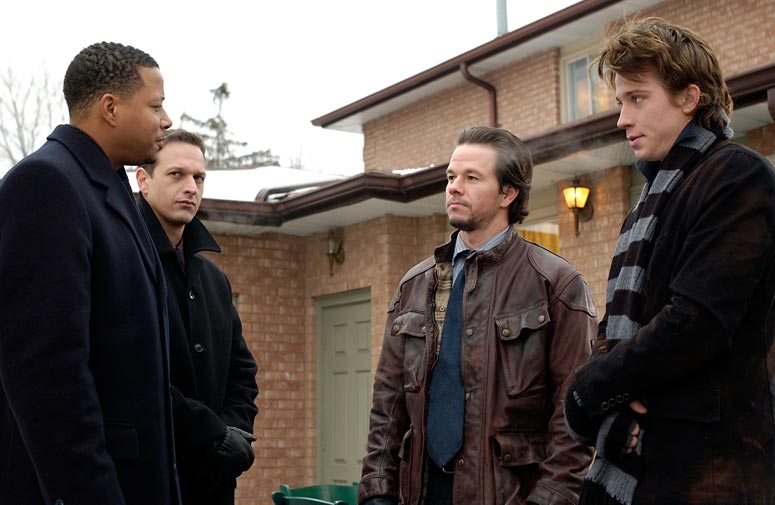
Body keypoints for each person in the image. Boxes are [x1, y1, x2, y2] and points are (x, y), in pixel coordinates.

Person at [563, 17, 775, 505]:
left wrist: (588, 391)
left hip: (713, 473)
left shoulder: (735, 175)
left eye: (637, 98)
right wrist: (608, 394)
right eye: (620, 102)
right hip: (648, 463)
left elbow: (695, 321)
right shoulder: (653, 197)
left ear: (689, 97)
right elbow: (618, 329)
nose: (622, 118)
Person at [359, 126, 597, 505]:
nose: (454, 187)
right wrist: (377, 490)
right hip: (421, 491)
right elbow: (387, 404)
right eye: (451, 177)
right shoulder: (414, 285)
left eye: (471, 178)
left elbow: (574, 410)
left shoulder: (555, 284)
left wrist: (551, 498)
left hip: (509, 494)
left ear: (508, 193)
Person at [0, 42, 178, 504]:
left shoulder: (107, 186)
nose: (167, 120)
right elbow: (48, 377)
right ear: (111, 108)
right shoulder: (46, 183)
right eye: (155, 105)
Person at [135, 129, 259, 505]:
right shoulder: (124, 262)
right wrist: (212, 435)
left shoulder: (213, 280)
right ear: (143, 180)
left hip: (213, 485)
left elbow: (241, 372)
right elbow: (130, 375)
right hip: (147, 479)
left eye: (199, 177)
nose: (191, 187)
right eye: (176, 174)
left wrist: (235, 432)